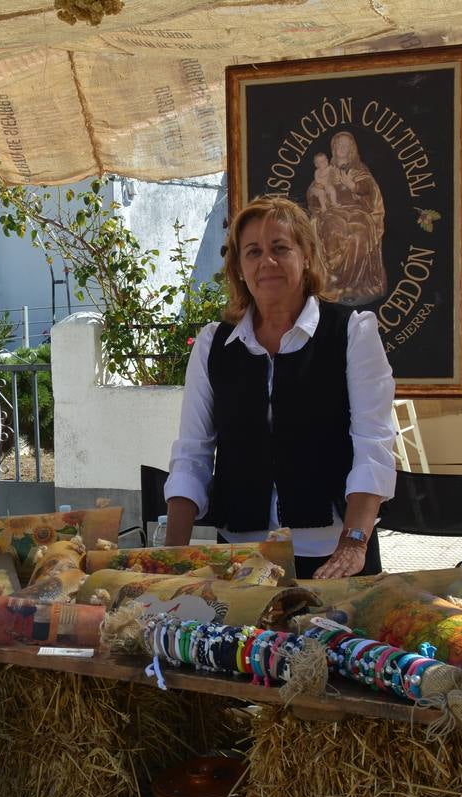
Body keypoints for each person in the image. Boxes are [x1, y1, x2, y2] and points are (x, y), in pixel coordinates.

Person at [163, 196, 395, 579]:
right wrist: (171, 557)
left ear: (305, 256)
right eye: (253, 252)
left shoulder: (351, 332)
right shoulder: (212, 344)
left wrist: (354, 543)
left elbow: (373, 444)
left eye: (280, 248)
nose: (266, 262)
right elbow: (192, 454)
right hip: (240, 557)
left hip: (333, 554)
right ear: (239, 267)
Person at [308, 131, 386, 303]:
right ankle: (335, 282)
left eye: (345, 145)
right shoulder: (325, 170)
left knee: (360, 233)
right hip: (333, 212)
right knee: (333, 230)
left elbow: (369, 190)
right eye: (338, 145)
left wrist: (352, 185)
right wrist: (315, 192)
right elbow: (314, 193)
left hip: (358, 212)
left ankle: (355, 285)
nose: (341, 148)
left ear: (351, 149)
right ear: (333, 149)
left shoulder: (360, 170)